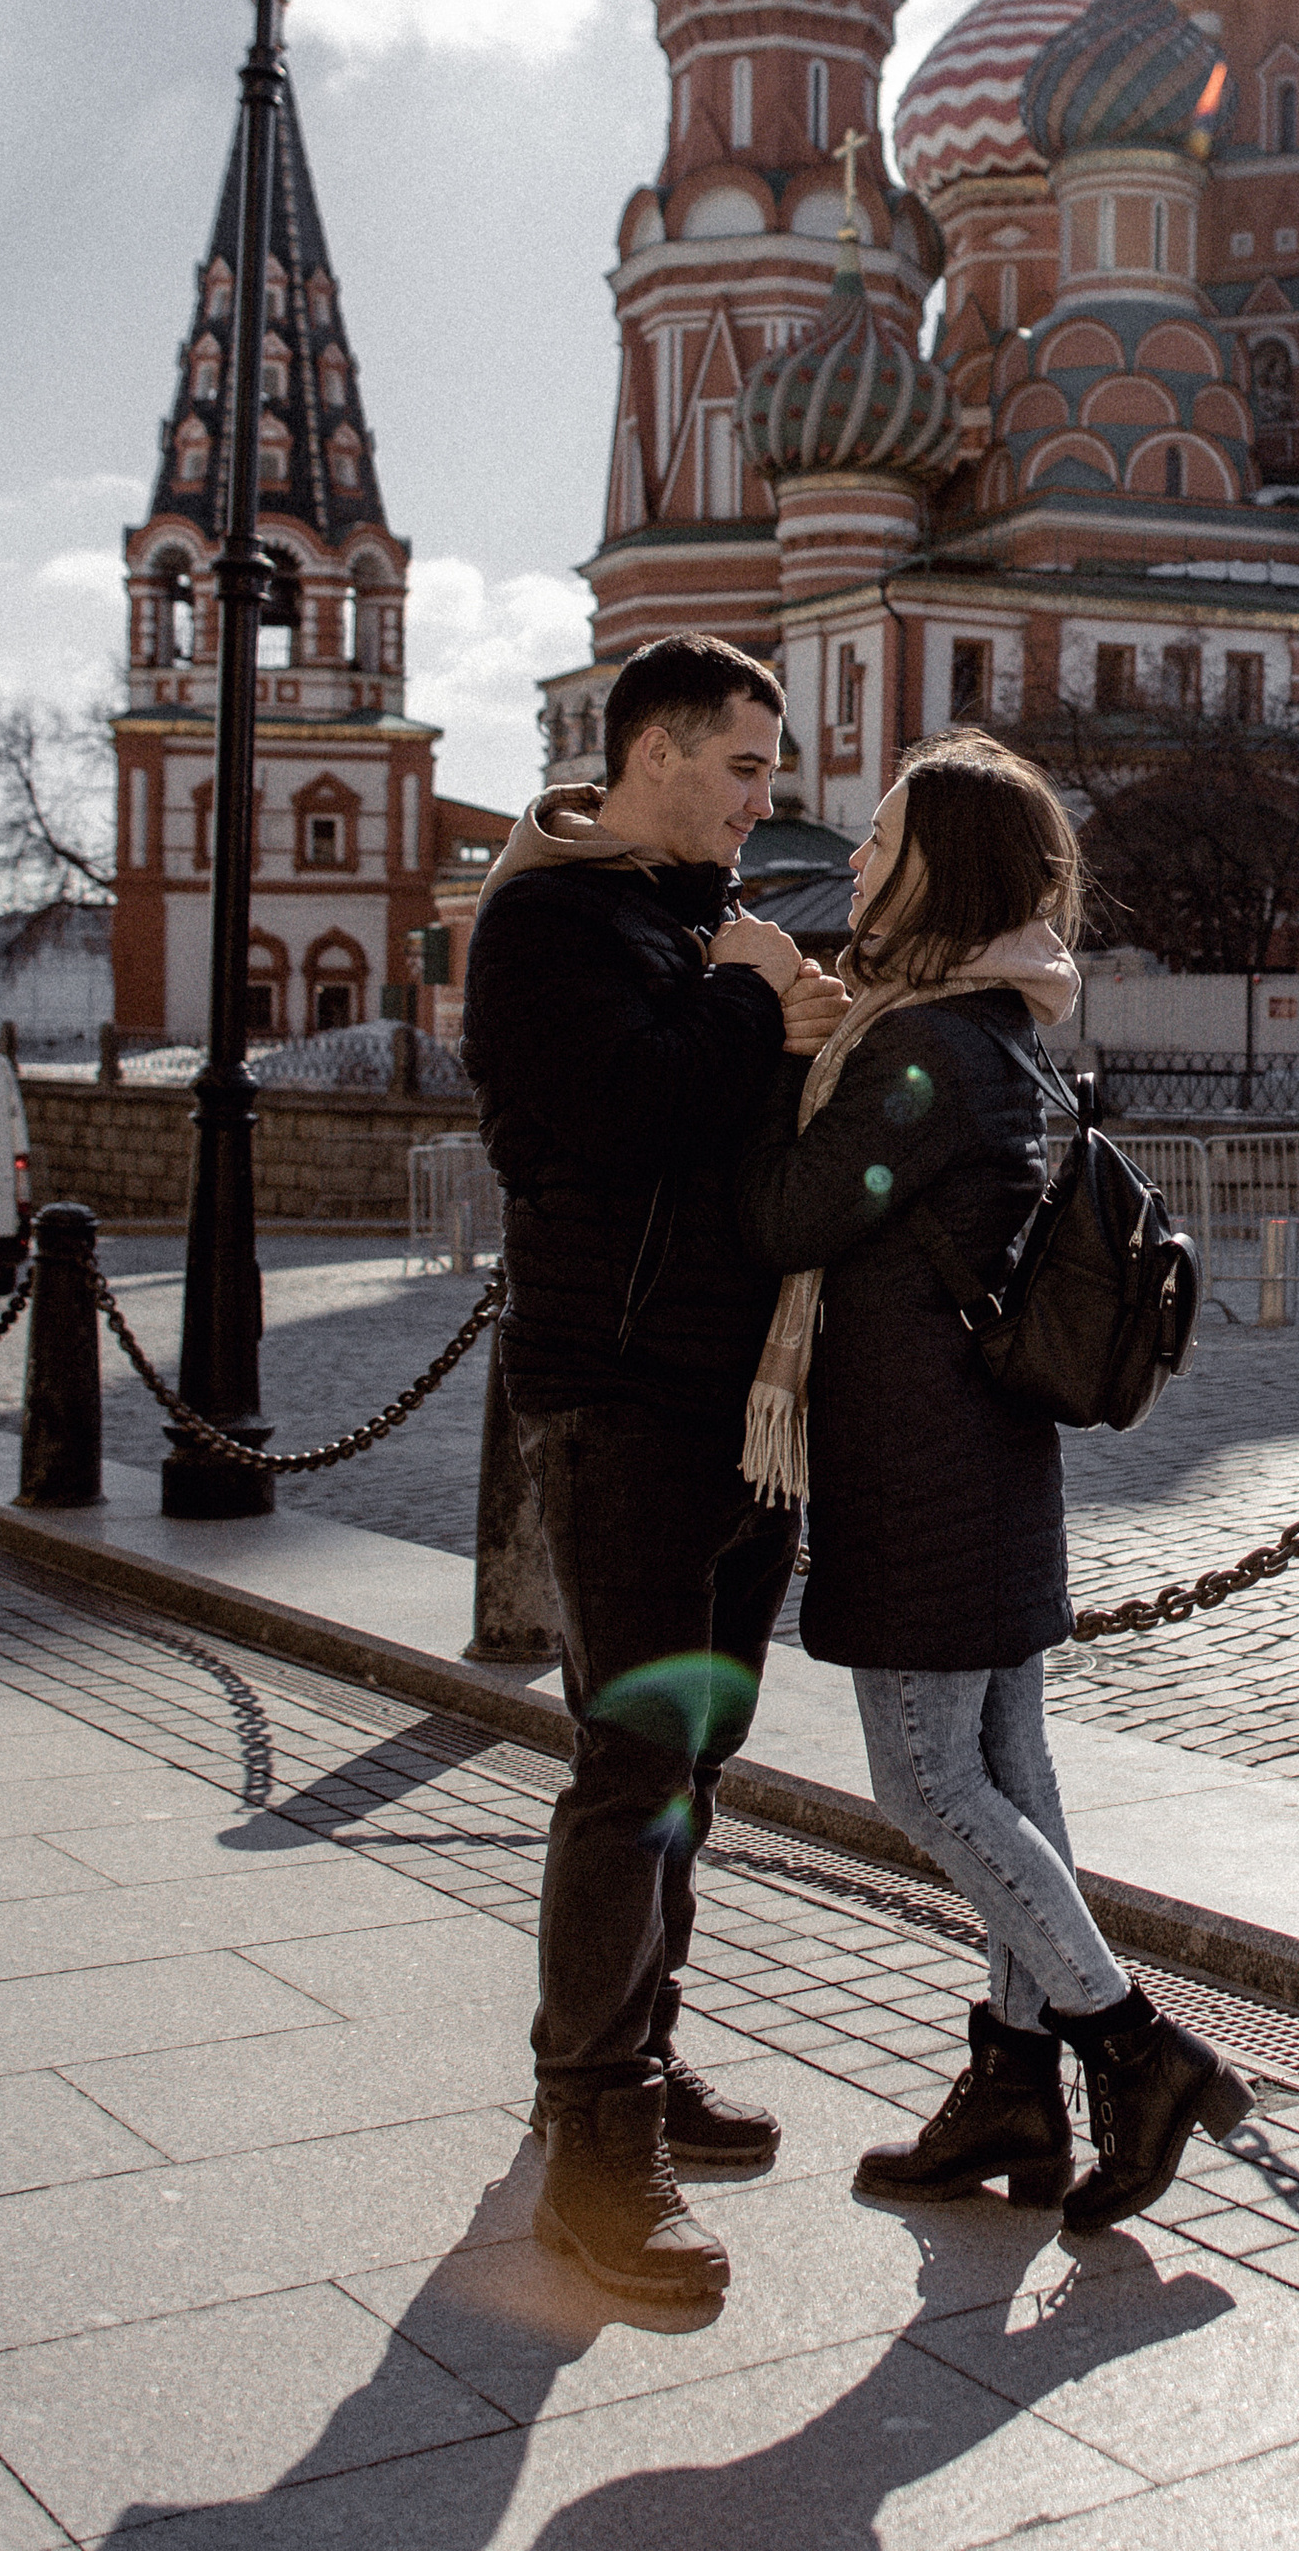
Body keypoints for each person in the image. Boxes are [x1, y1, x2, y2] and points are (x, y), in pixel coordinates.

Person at [737, 732, 1250, 2230]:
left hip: (922, 1466)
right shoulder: (999, 1032)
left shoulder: (918, 1055)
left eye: (880, 835)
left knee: (928, 1777)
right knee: (1009, 1772)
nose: (854, 859)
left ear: (936, 866)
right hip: (988, 1453)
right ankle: (1014, 2081)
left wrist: (771, 1042)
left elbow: (786, 1219)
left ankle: (1129, 2046)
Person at [463, 630, 843, 2306]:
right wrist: (756, 1002)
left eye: (772, 771)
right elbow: (627, 1109)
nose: (769, 801)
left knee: (697, 1756)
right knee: (632, 1763)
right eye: (747, 768)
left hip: (736, 1397)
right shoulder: (549, 922)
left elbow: (737, 1114)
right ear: (656, 756)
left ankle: (640, 2055)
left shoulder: (693, 924)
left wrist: (791, 1018)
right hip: (618, 1393)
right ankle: (592, 2142)